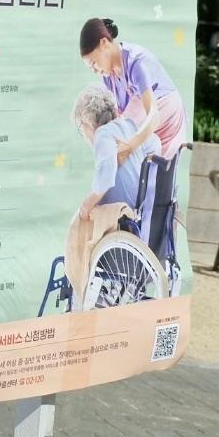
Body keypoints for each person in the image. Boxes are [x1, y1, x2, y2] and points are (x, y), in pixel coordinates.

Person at [66, 85, 163, 306]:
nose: (84, 137)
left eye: (81, 130)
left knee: (77, 230)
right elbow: (155, 143)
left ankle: (79, 289)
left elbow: (105, 178)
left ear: (87, 123)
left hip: (122, 222)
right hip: (140, 215)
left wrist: (86, 205)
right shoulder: (129, 126)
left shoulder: (103, 135)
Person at [79, 17, 186, 160]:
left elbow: (153, 116)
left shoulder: (137, 62)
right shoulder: (107, 76)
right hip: (143, 128)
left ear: (104, 43)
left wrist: (129, 147)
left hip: (167, 117)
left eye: (94, 63)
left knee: (154, 173)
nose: (94, 70)